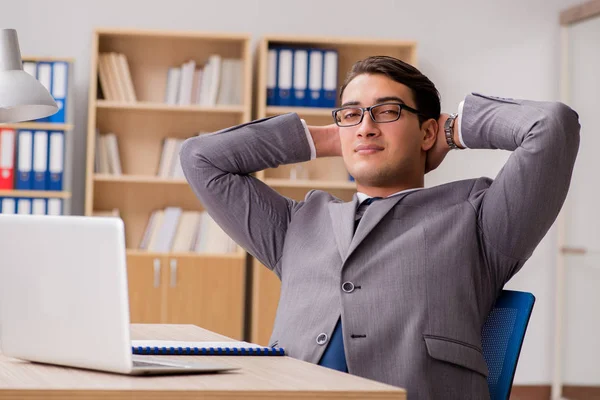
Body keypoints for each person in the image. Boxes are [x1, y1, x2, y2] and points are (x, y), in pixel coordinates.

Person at [180, 55, 580, 400]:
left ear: (426, 132)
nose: (366, 127)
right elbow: (200, 157)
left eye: (387, 112)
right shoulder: (296, 225)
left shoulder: (479, 218)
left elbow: (551, 126)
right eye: (352, 113)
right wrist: (326, 138)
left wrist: (452, 130)